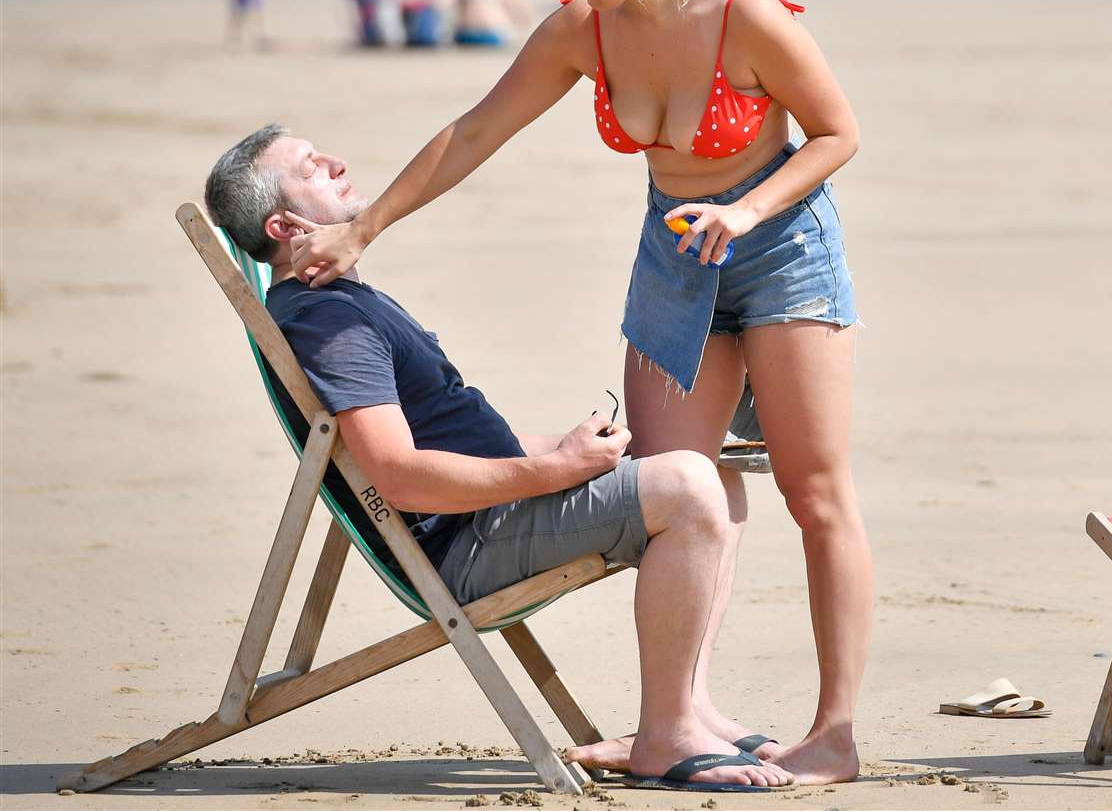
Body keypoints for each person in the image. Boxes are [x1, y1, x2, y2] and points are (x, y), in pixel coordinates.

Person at [288, 0, 869, 786]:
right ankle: (681, 722)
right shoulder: (580, 29)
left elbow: (839, 132)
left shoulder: (745, 15)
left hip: (782, 249)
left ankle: (834, 733)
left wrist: (745, 210)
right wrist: (365, 232)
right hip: (674, 260)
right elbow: (475, 130)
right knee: (684, 482)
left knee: (815, 494)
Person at [202, 125, 795, 793]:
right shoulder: (327, 321)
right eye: (311, 168)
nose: (337, 161)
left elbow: (455, 443)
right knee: (687, 487)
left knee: (704, 465)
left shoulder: (343, 302)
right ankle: (667, 735)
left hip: (491, 513)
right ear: (285, 225)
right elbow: (399, 475)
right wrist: (556, 470)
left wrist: (575, 451)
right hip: (468, 544)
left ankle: (691, 707)